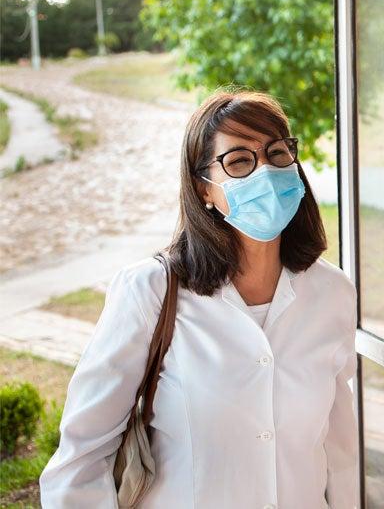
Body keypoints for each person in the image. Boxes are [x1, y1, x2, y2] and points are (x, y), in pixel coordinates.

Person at [40, 91, 358, 508]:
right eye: (240, 161)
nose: (265, 172)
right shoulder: (151, 290)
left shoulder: (332, 292)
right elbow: (80, 458)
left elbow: (340, 452)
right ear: (202, 188)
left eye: (277, 153)